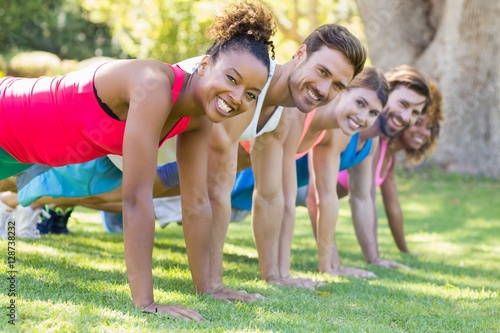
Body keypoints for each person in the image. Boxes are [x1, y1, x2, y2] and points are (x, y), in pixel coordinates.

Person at [8, 22, 367, 300]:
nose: (324, 89)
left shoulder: (246, 113)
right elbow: (197, 192)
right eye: (323, 72)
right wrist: (172, 294)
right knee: (45, 188)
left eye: (337, 85)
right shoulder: (186, 82)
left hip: (68, 150)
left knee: (37, 183)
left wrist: (248, 280)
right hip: (57, 131)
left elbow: (239, 198)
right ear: (301, 54)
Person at [0, 0, 276, 320]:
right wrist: (146, 302)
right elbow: (136, 199)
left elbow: (197, 201)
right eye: (232, 78)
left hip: (19, 155)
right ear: (204, 65)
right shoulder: (154, 84)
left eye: (251, 94)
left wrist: (211, 286)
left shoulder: (198, 120)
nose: (237, 97)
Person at [243, 67, 388, 283]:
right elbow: (284, 201)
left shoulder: (334, 133)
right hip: (234, 176)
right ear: (343, 90)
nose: (363, 117)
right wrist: (282, 276)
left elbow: (327, 200)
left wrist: (329, 266)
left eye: (373, 113)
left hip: (240, 176)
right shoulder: (298, 114)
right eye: (360, 103)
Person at [306, 65, 432, 272]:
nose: (406, 117)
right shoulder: (340, 126)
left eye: (414, 112)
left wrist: (374, 258)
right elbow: (315, 198)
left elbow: (362, 198)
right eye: (403, 104)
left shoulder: (370, 142)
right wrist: (332, 265)